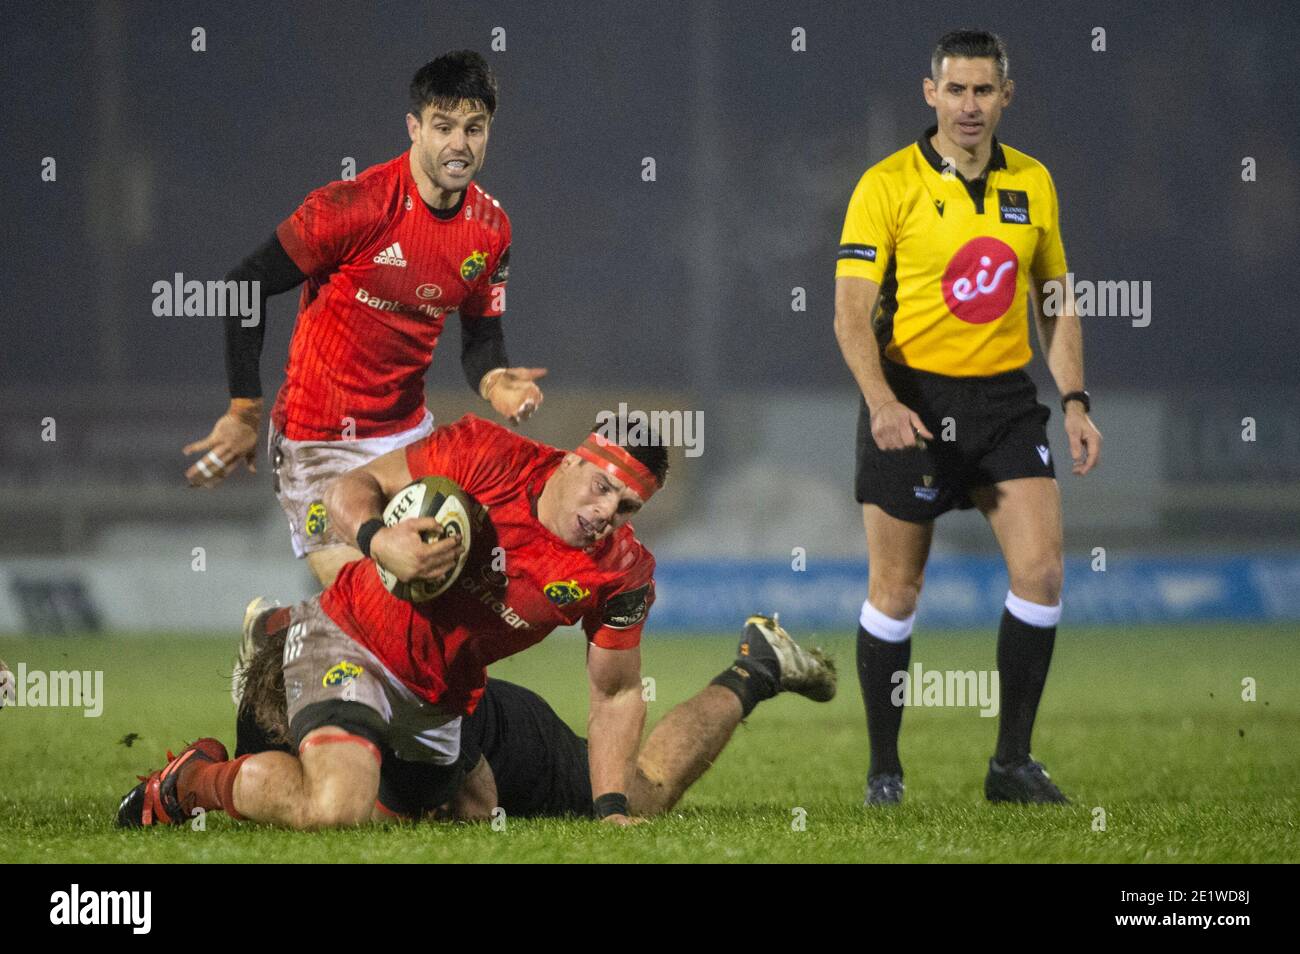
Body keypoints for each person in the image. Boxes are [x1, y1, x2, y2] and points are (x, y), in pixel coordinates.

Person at [119, 413, 669, 828]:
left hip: (440, 698)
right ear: (574, 458)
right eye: (602, 487)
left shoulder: (622, 570)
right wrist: (378, 539)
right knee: (337, 808)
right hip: (351, 639)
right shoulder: (484, 452)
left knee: (474, 815)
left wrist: (611, 809)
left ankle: (304, 723)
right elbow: (347, 489)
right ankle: (190, 782)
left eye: (625, 508)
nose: (605, 515)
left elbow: (617, 693)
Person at [833, 29, 1102, 805]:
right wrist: (883, 402)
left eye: (985, 91)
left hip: (1004, 403)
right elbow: (851, 315)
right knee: (897, 590)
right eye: (956, 90)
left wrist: (1076, 402)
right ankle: (885, 768)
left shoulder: (1035, 183)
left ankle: (1010, 764)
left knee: (1044, 574)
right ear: (931, 94)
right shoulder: (885, 185)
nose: (970, 105)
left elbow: (1054, 302)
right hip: (913, 399)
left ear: (1006, 97)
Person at [182, 49, 545, 588]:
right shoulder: (355, 207)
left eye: (474, 128)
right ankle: (277, 639)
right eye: (443, 126)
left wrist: (497, 382)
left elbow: (481, 341)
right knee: (373, 603)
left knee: (448, 591)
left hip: (404, 439)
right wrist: (242, 411)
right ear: (414, 128)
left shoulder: (491, 230)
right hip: (316, 439)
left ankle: (287, 638)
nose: (459, 144)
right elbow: (245, 285)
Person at [227, 613, 835, 820]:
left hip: (514, 739)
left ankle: (756, 666)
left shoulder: (418, 704)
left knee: (643, 790)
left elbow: (478, 804)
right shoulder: (266, 714)